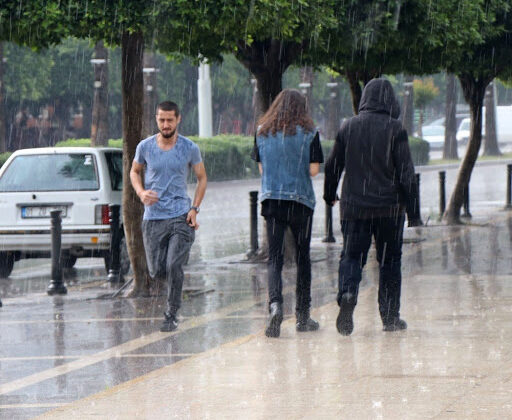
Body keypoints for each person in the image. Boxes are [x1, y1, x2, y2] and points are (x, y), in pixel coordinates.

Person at [323, 78, 421, 336]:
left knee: (352, 256)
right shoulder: (395, 129)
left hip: (355, 207)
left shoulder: (348, 127)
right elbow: (407, 174)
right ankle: (390, 317)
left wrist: (329, 193)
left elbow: (332, 165)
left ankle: (347, 292)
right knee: (390, 261)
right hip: (389, 209)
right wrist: (414, 213)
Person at [252, 88, 323, 338]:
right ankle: (303, 316)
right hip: (301, 203)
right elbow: (314, 171)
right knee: (303, 258)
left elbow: (262, 169)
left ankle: (275, 306)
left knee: (275, 258)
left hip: (272, 202)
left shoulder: (261, 131)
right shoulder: (310, 133)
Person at [130, 101, 207, 332]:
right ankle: (171, 275)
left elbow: (202, 178)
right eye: (161, 120)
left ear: (178, 119)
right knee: (156, 270)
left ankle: (171, 313)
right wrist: (142, 192)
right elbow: (134, 171)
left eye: (169, 120)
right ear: (156, 119)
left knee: (174, 265)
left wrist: (194, 208)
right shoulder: (145, 147)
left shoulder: (189, 148)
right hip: (153, 218)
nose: (165, 124)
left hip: (180, 216)